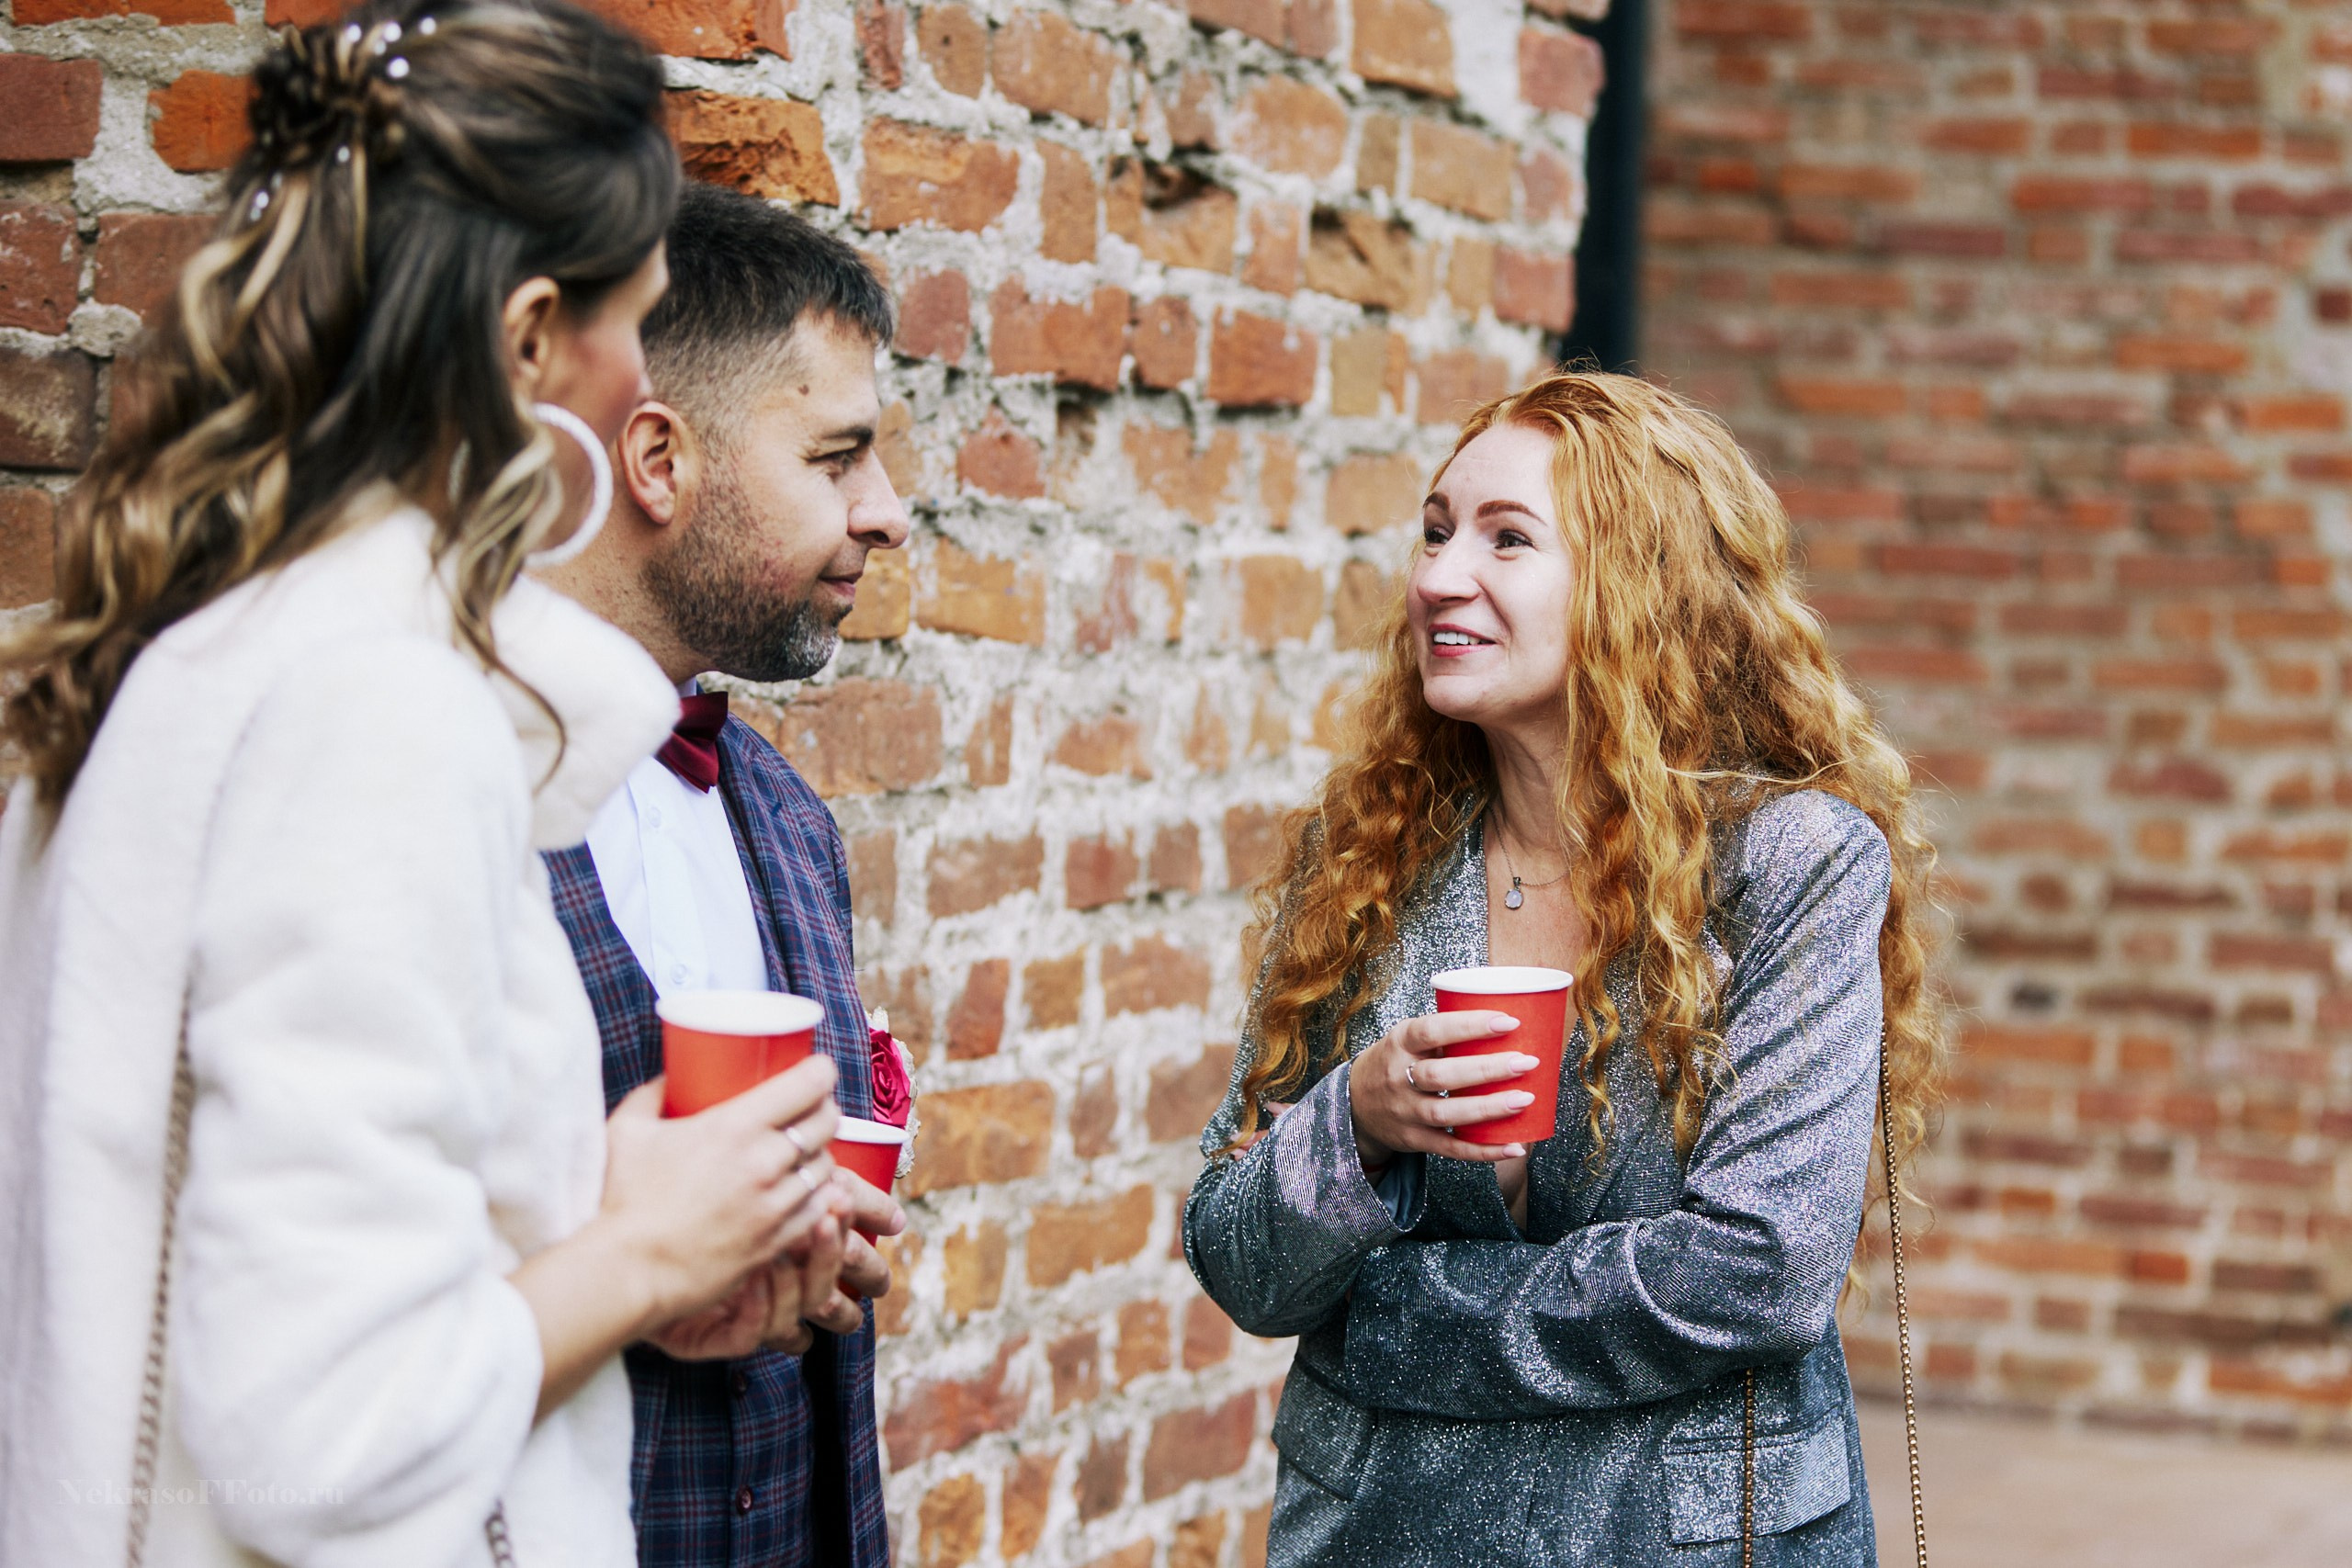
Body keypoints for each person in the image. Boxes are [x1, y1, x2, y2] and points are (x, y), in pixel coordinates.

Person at [0, 6, 846, 1564]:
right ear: (529, 342)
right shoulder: (376, 709)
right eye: (636, 318)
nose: (643, 379)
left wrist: (598, 1228)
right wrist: (650, 1249)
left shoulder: (196, 649)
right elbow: (320, 1434)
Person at [1183, 372, 1944, 1566]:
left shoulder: (1790, 863)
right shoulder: (1369, 860)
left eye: (1507, 540)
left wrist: (1396, 1319)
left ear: (1639, 583)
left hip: (1686, 1541)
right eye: (1436, 531)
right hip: (1389, 1534)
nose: (1440, 577)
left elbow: (1761, 1275)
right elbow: (1237, 1257)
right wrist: (1357, 1123)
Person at [534, 181, 911, 1568]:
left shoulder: (791, 820)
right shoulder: (457, 796)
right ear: (658, 459)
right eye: (837, 457)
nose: (887, 514)